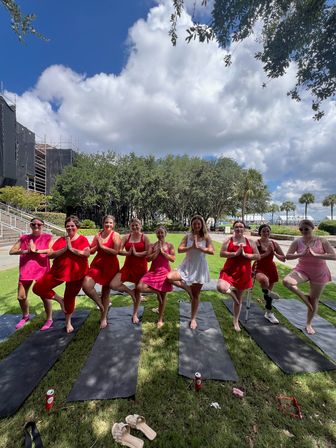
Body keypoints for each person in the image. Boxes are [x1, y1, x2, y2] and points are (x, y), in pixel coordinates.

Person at [33, 215, 90, 333]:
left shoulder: (82, 239)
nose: (70, 228)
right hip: (57, 272)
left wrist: (72, 249)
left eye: (72, 226)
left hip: (76, 274)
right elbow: (50, 254)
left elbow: (86, 254)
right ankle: (60, 299)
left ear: (77, 226)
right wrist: (65, 248)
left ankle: (68, 322)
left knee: (70, 297)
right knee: (38, 288)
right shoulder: (61, 240)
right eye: (67, 226)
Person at [283, 219, 336, 334]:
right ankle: (305, 298)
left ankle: (308, 324)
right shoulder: (297, 242)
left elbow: (334, 256)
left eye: (306, 229)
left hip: (319, 272)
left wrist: (316, 254)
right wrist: (301, 254)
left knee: (314, 299)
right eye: (301, 229)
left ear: (313, 228)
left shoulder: (322, 241)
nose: (303, 231)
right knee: (287, 282)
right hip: (302, 270)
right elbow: (288, 256)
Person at [167, 215, 214, 330]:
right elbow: (179, 249)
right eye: (194, 224)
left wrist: (199, 248)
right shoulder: (187, 236)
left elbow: (212, 251)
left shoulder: (206, 237)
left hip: (199, 268)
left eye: (198, 224)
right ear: (191, 225)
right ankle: (187, 289)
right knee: (169, 277)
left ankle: (193, 318)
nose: (196, 226)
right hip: (186, 266)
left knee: (195, 295)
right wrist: (191, 247)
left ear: (202, 224)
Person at [9, 217, 53, 329]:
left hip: (42, 270)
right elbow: (12, 251)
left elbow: (50, 251)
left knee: (44, 296)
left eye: (39, 224)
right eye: (34, 224)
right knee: (21, 297)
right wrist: (25, 251)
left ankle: (49, 319)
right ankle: (25, 316)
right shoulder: (24, 238)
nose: (36, 226)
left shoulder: (48, 237)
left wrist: (36, 250)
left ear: (43, 226)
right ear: (30, 225)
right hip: (26, 270)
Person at [217, 220, 260, 332]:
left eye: (241, 227)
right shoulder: (229, 239)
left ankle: (235, 321)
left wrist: (246, 255)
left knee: (240, 298)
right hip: (229, 271)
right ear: (233, 228)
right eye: (236, 227)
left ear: (244, 228)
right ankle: (234, 298)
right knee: (221, 287)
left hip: (244, 272)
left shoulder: (250, 241)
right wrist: (235, 254)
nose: (239, 228)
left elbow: (257, 256)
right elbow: (222, 253)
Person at [82, 215, 121, 328]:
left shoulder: (116, 235)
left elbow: (115, 252)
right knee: (86, 285)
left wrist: (102, 246)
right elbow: (93, 251)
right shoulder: (98, 235)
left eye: (110, 223)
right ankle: (102, 305)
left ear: (113, 224)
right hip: (98, 264)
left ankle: (103, 318)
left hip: (110, 265)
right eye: (106, 222)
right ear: (103, 223)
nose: (108, 225)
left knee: (105, 293)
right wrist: (95, 247)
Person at [110, 218, 150, 324]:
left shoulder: (144, 237)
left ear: (140, 226)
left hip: (141, 268)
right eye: (133, 225)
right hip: (128, 266)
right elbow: (118, 250)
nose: (135, 227)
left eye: (137, 225)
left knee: (138, 291)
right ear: (130, 226)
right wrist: (127, 253)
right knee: (113, 284)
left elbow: (148, 252)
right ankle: (130, 292)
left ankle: (135, 314)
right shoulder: (126, 237)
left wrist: (137, 254)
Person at [137, 226, 175, 328]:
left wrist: (163, 253)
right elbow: (148, 259)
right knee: (140, 287)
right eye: (158, 233)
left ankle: (160, 319)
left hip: (165, 272)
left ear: (165, 233)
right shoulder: (152, 245)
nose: (160, 235)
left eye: (162, 233)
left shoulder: (169, 245)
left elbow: (173, 259)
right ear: (156, 234)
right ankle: (156, 291)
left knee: (162, 298)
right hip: (153, 272)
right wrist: (157, 252)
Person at [254, 224, 286, 324]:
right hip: (258, 267)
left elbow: (283, 258)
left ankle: (269, 313)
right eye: (264, 231)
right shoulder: (257, 242)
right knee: (264, 281)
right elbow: (254, 257)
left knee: (268, 297)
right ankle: (268, 292)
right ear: (260, 232)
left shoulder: (274, 243)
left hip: (271, 268)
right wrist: (267, 253)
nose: (266, 233)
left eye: (268, 231)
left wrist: (275, 254)